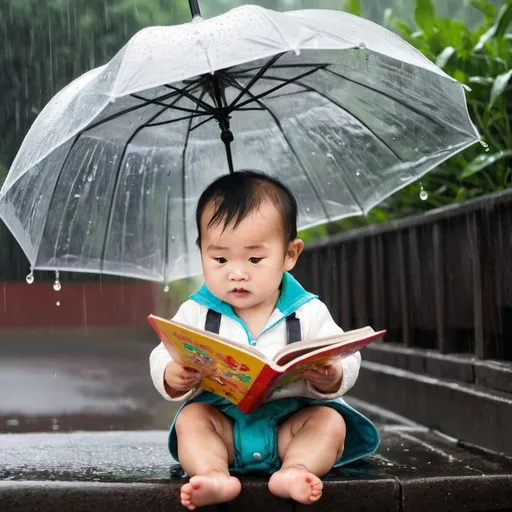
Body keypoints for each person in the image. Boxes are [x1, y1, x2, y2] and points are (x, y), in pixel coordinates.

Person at [150, 170, 379, 510]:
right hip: (223, 428)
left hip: (291, 426)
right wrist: (172, 374)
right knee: (191, 420)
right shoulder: (197, 311)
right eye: (220, 259)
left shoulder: (308, 311)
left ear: (290, 254)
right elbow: (162, 353)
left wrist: (333, 375)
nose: (237, 272)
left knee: (330, 421)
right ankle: (213, 474)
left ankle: (296, 469)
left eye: (255, 259)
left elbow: (343, 354)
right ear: (201, 253)